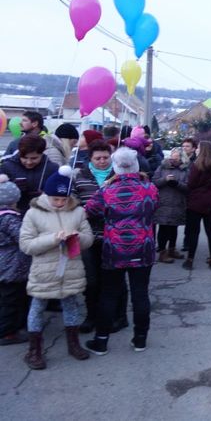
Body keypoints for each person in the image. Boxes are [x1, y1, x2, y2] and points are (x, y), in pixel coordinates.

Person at [84, 147, 159, 355]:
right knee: (140, 294)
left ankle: (101, 341)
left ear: (115, 166)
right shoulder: (149, 188)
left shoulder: (106, 190)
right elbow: (154, 207)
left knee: (108, 294)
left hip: (114, 249)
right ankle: (140, 340)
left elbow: (89, 211)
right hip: (142, 248)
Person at [20, 167, 94, 369]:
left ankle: (73, 344)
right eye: (56, 199)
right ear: (46, 195)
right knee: (37, 307)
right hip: (44, 271)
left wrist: (78, 237)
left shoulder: (78, 211)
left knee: (71, 305)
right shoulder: (33, 214)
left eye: (64, 199)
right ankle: (34, 350)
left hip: (70, 268)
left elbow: (88, 239)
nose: (60, 203)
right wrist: (53, 239)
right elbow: (26, 245)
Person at [73, 140, 129, 335]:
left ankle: (119, 316)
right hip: (88, 236)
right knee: (91, 280)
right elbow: (73, 201)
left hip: (114, 236)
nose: (102, 161)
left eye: (106, 157)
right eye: (98, 158)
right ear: (90, 159)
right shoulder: (80, 177)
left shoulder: (119, 176)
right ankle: (92, 316)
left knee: (115, 279)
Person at [0, 175, 31, 346]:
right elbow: (22, 237)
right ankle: (7, 333)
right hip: (12, 266)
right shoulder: (9, 218)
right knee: (11, 300)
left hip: (4, 264)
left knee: (6, 298)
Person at [183, 141, 211, 270]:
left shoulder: (196, 165)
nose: (197, 149)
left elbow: (191, 183)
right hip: (210, 199)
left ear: (202, 150)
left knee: (194, 232)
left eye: (198, 147)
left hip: (196, 200)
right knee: (210, 231)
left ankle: (190, 259)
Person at [0, 134, 59, 215]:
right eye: (24, 158)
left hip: (42, 214)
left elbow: (60, 194)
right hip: (13, 215)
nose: (29, 162)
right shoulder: (7, 167)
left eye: (34, 158)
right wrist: (12, 187)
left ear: (42, 153)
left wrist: (46, 194)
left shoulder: (52, 169)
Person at [152, 147, 189, 264]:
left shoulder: (185, 170)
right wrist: (165, 180)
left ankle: (172, 249)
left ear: (182, 158)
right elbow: (154, 182)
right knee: (163, 227)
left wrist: (177, 184)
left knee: (174, 227)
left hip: (178, 203)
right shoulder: (162, 167)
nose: (174, 158)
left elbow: (188, 187)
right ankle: (162, 252)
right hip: (163, 202)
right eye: (172, 156)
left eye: (177, 157)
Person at [180, 137, 198, 252]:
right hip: (181, 191)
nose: (185, 148)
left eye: (187, 146)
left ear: (193, 148)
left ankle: (188, 242)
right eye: (183, 146)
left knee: (191, 220)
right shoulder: (180, 159)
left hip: (192, 193)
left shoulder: (196, 160)